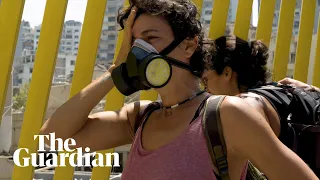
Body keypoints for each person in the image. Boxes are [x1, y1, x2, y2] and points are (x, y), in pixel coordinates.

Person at [40, 1, 318, 179]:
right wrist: (115, 73)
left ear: (188, 45)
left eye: (151, 39)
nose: (140, 51)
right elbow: (51, 141)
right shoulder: (138, 118)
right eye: (134, 44)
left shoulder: (227, 115)